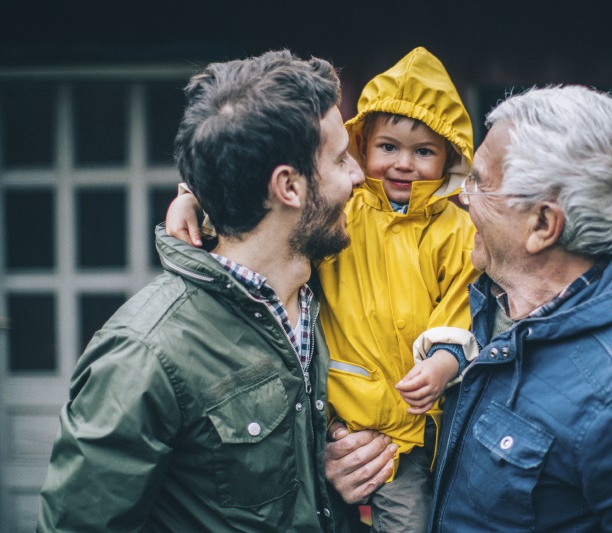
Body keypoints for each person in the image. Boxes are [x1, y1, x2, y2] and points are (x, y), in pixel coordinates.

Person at [327, 85, 612, 531]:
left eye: (480, 182)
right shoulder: (481, 301)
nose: (461, 198)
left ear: (542, 224)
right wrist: (351, 460)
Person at [37, 50, 371, 532]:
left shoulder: (328, 292)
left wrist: (321, 474)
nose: (360, 175)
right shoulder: (144, 354)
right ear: (289, 187)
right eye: (341, 159)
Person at [166, 46, 480, 532]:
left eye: (424, 152)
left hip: (414, 426)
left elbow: (460, 302)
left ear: (450, 157)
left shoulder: (455, 231)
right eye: (388, 147)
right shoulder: (343, 212)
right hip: (336, 412)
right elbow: (259, 212)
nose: (403, 164)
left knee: (414, 519)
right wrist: (195, 201)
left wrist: (444, 359)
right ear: (362, 147)